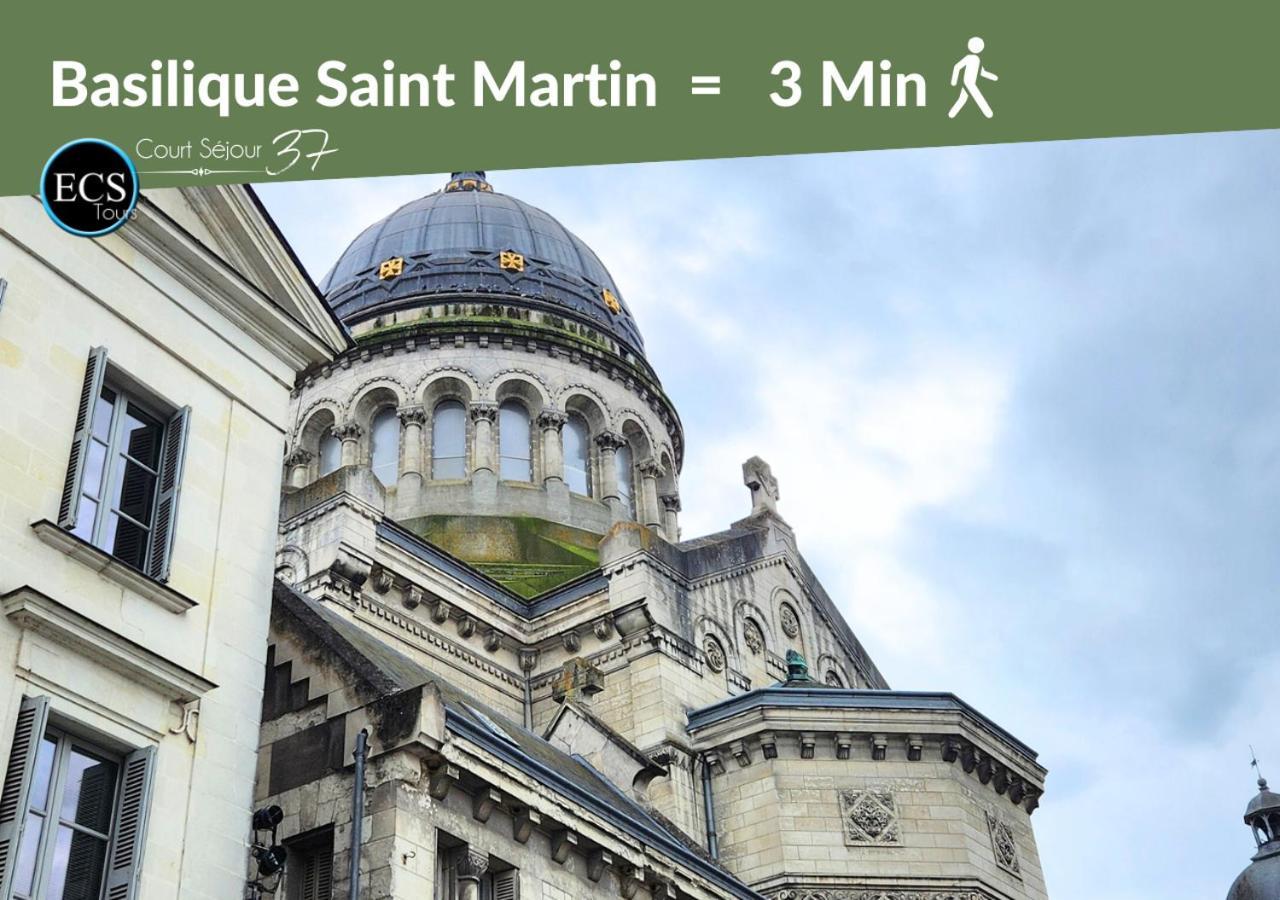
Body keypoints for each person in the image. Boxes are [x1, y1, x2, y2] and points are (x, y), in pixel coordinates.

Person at [949, 36, 998, 119]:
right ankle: (989, 114)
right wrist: (953, 81)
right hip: (968, 82)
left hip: (970, 82)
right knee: (978, 96)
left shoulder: (977, 59)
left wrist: (993, 77)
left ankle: (951, 115)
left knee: (962, 98)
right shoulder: (968, 57)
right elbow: (957, 67)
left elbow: (982, 72)